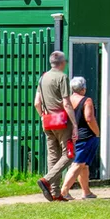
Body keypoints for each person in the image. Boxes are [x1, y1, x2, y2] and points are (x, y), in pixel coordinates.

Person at [34, 51, 73, 201]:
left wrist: (43, 116)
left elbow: (37, 103)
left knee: (53, 155)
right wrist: (74, 124)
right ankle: (46, 180)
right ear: (63, 63)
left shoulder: (43, 77)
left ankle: (55, 193)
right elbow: (67, 103)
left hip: (48, 121)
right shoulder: (62, 77)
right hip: (62, 122)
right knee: (68, 155)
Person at [65, 77, 100, 199]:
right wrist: (97, 132)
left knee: (84, 165)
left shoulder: (67, 100)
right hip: (86, 136)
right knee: (77, 164)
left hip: (71, 136)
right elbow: (89, 118)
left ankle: (86, 192)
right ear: (83, 88)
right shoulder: (86, 101)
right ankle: (63, 192)